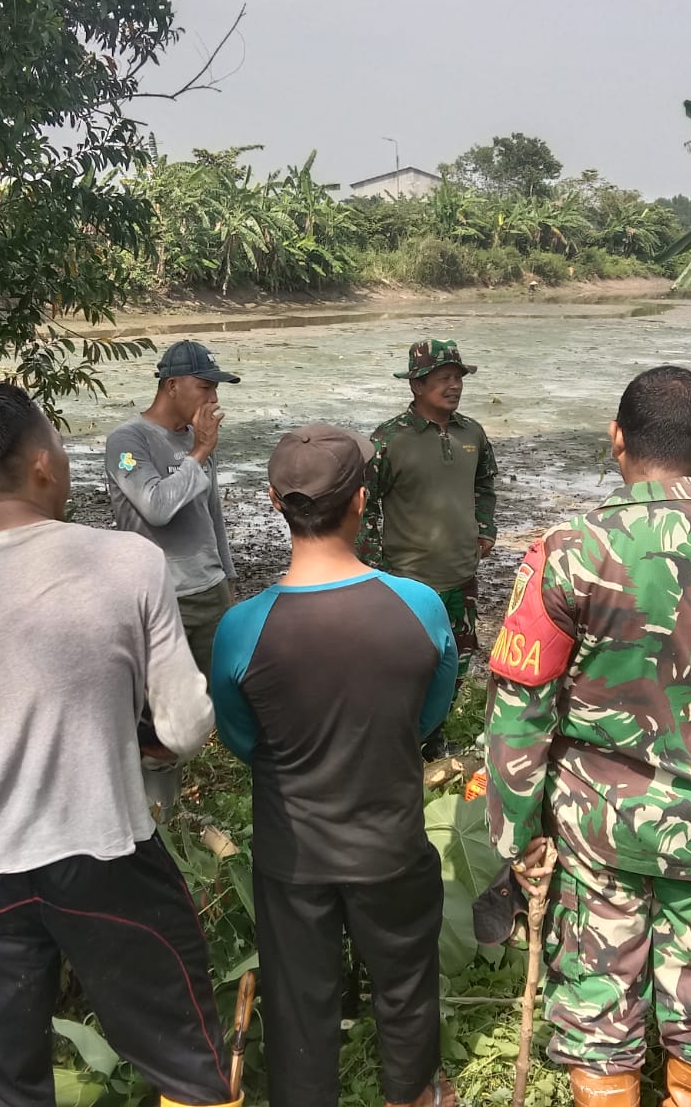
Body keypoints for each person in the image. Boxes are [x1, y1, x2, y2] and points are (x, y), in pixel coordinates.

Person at [0, 382, 236, 1107]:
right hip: (105, 853)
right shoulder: (126, 562)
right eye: (61, 446)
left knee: (4, 1080)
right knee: (185, 1056)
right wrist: (139, 738)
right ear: (42, 461)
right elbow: (186, 726)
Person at [485, 365, 691, 1107]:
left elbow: (518, 716)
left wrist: (515, 837)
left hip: (596, 829)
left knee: (598, 1002)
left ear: (616, 441)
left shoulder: (566, 552)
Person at [210, 424, 459, 1107]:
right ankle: (411, 1095)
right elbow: (427, 715)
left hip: (294, 855)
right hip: (391, 840)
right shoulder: (421, 608)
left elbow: (243, 738)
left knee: (299, 1001)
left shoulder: (242, 627)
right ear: (361, 499)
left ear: (273, 501)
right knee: (407, 984)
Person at [105, 339, 240, 812]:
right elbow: (156, 506)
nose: (213, 400)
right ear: (172, 385)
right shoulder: (128, 442)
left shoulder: (195, 440)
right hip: (160, 597)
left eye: (216, 389)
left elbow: (211, 513)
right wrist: (200, 452)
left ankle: (206, 796)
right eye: (204, 387)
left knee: (220, 697)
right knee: (158, 717)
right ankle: (157, 815)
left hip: (209, 590)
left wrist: (228, 575)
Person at [359, 339, 497, 760]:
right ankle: (397, 743)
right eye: (443, 378)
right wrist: (374, 564)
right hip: (408, 583)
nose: (454, 386)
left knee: (456, 663)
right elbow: (363, 502)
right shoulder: (389, 439)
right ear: (417, 385)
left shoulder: (472, 432)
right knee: (407, 668)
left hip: (461, 576)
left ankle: (433, 740)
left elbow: (485, 482)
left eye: (458, 378)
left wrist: (485, 529)